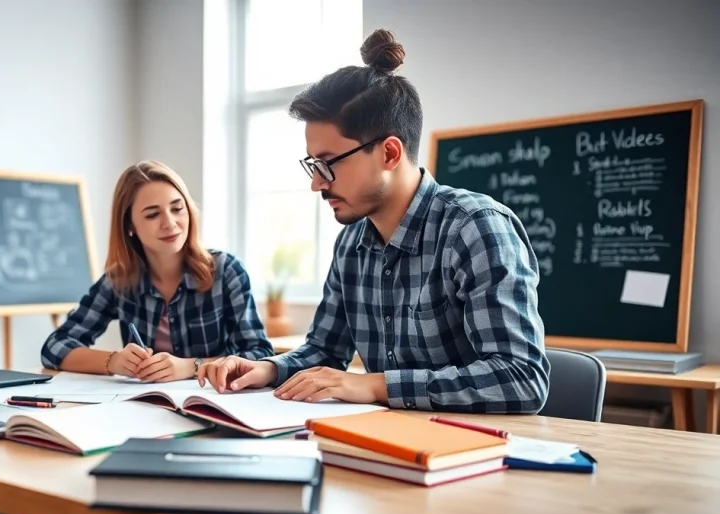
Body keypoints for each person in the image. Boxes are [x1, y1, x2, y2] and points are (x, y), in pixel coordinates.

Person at [197, 29, 549, 414]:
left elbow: (521, 379)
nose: (316, 183)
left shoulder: (476, 229)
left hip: (474, 452)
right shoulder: (351, 242)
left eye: (328, 164)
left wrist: (375, 385)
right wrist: (267, 369)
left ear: (390, 153)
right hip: (385, 446)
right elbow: (325, 351)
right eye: (313, 166)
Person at [41, 160, 274, 382]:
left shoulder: (226, 271)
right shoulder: (119, 280)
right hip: (143, 408)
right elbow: (55, 346)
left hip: (210, 404)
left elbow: (260, 354)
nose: (169, 223)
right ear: (130, 225)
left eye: (177, 208)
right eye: (153, 214)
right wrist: (113, 362)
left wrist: (192, 366)